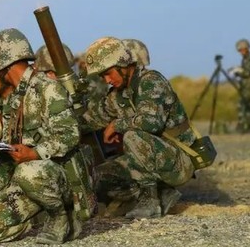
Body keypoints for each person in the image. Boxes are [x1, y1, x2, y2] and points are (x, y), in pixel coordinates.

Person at [0, 28, 82, 244]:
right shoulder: (13, 100)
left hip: (62, 177)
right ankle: (36, 214)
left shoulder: (48, 89)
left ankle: (61, 216)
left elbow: (70, 134)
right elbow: (6, 154)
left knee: (27, 171)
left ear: (3, 66)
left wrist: (35, 152)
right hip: (31, 179)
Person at [82, 37, 195, 219]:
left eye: (109, 73)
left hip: (179, 160)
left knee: (132, 137)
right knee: (98, 178)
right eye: (102, 76)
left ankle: (149, 200)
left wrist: (116, 125)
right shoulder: (117, 95)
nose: (107, 80)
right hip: (154, 159)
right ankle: (160, 193)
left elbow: (151, 122)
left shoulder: (151, 81)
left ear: (123, 64)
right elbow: (92, 118)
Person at [230, 39, 250, 133]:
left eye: (242, 50)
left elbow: (248, 72)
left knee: (245, 105)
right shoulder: (246, 58)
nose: (241, 52)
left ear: (246, 48)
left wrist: (238, 71)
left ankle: (246, 125)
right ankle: (249, 126)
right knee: (248, 106)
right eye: (239, 50)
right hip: (246, 85)